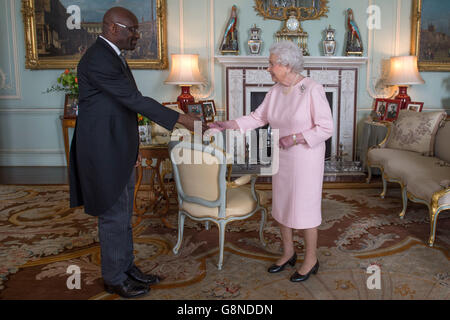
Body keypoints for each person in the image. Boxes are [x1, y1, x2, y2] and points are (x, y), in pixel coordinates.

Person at [69, 7, 206, 299]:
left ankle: (127, 267)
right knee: (113, 214)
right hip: (103, 151)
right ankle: (115, 278)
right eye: (132, 29)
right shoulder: (98, 59)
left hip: (116, 146)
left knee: (122, 213)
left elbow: (125, 103)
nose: (136, 35)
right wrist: (183, 119)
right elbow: (133, 100)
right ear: (112, 28)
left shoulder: (110, 56)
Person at [209, 41, 333, 282]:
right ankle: (288, 252)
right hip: (282, 157)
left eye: (271, 63)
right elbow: (258, 117)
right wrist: (229, 124)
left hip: (305, 159)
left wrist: (296, 138)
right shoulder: (275, 91)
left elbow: (326, 127)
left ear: (286, 65)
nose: (268, 68)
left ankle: (311, 259)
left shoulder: (312, 89)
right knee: (283, 205)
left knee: (305, 210)